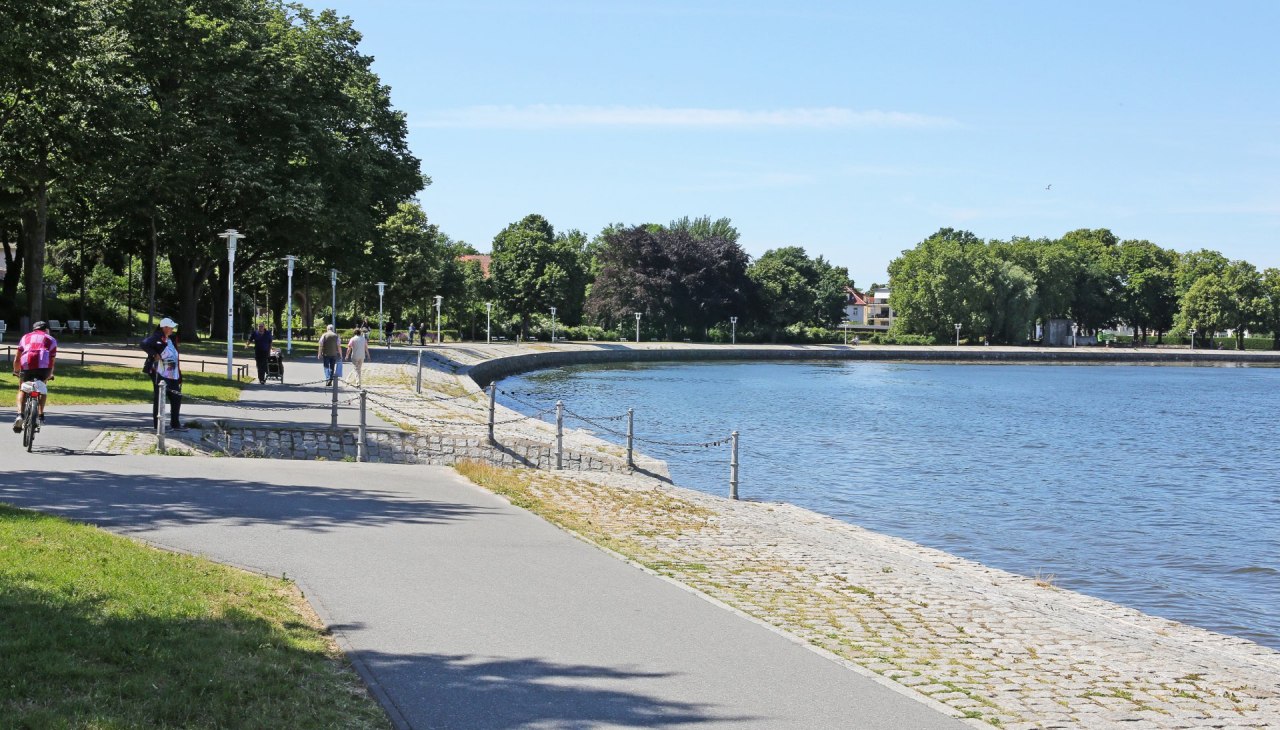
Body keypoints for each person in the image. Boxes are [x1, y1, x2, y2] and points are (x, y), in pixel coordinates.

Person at [12, 320, 57, 432]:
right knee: (42, 387)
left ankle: (20, 415)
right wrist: (50, 374)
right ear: (46, 330)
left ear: (34, 329)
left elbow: (17, 358)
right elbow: (52, 360)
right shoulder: (51, 339)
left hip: (27, 367)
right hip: (43, 369)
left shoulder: (25, 337)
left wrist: (16, 371)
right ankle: (41, 414)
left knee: (22, 388)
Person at [141, 318, 185, 431]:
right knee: (160, 398)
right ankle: (158, 426)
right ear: (164, 327)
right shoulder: (157, 337)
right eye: (171, 327)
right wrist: (154, 354)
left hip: (173, 374)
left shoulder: (171, 339)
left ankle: (175, 424)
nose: (172, 329)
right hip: (160, 373)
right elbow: (144, 344)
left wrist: (179, 375)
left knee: (176, 397)